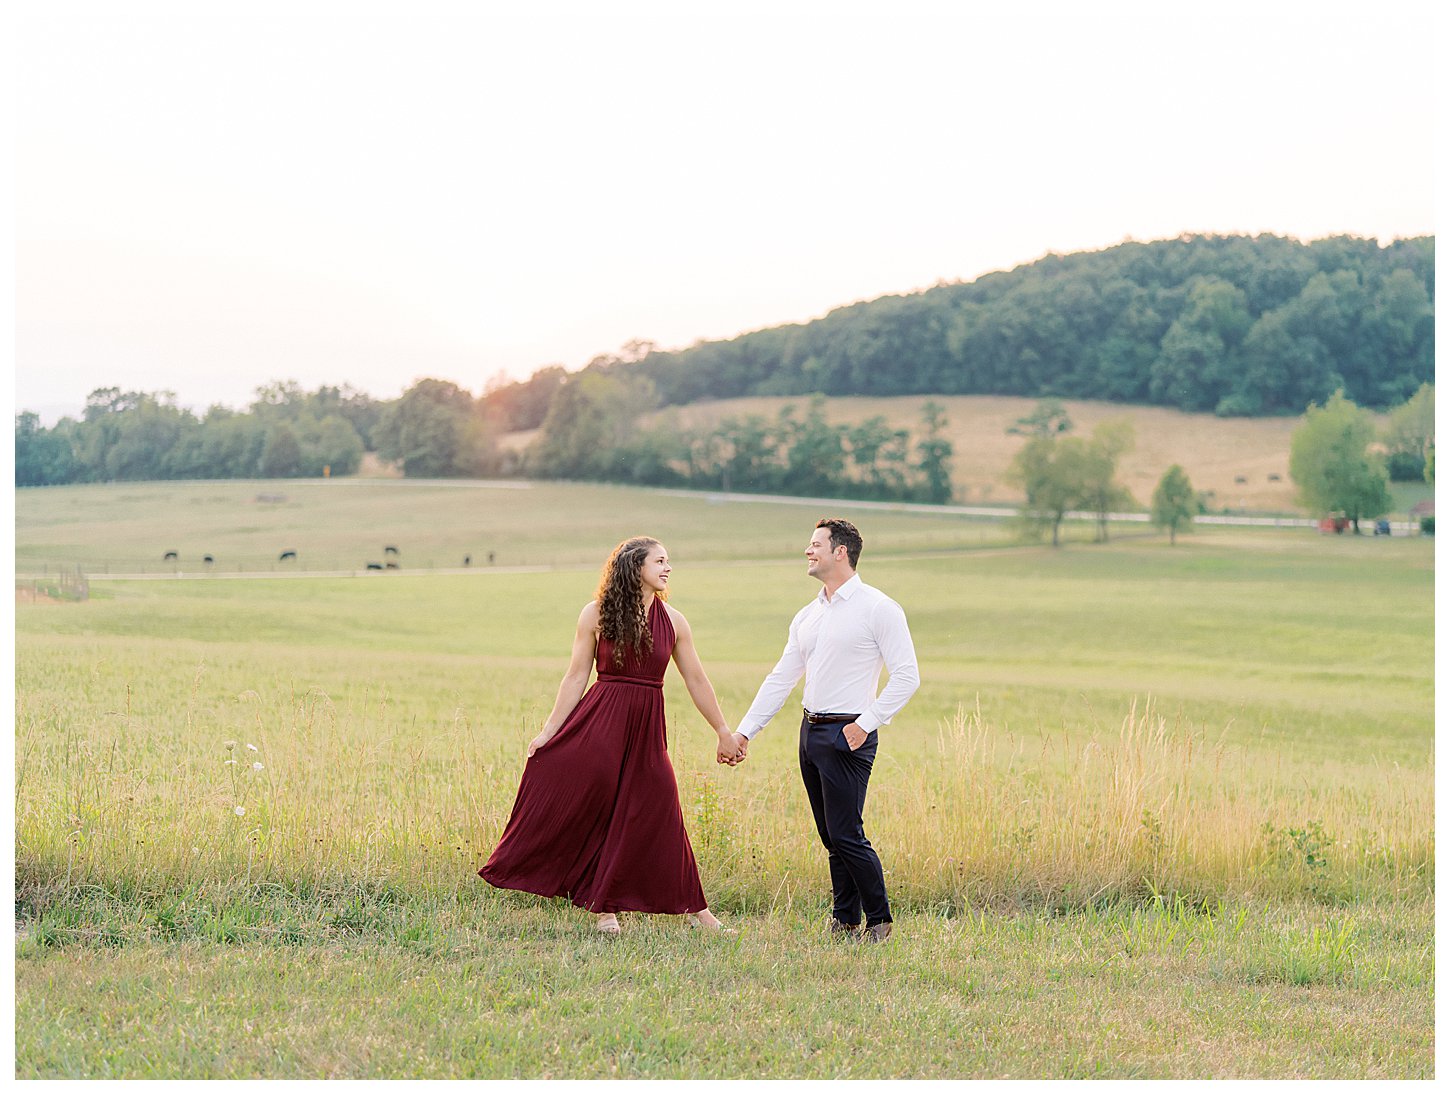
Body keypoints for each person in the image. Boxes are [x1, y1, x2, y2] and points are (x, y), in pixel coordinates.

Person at [480, 536, 741, 935]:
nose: (667, 568)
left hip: (647, 727)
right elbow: (575, 676)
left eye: (668, 561)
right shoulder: (596, 614)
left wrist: (723, 730)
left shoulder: (674, 621)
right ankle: (605, 910)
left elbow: (696, 679)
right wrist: (549, 732)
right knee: (602, 807)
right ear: (636, 567)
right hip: (602, 719)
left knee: (663, 805)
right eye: (659, 561)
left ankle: (696, 908)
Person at [723, 518, 919, 943]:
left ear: (840, 552)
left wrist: (865, 725)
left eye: (815, 545)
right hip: (809, 731)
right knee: (831, 834)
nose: (808, 552)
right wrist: (744, 732)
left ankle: (880, 921)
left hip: (849, 734)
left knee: (847, 833)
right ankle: (845, 920)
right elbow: (781, 677)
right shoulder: (808, 615)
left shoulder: (878, 608)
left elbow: (907, 676)